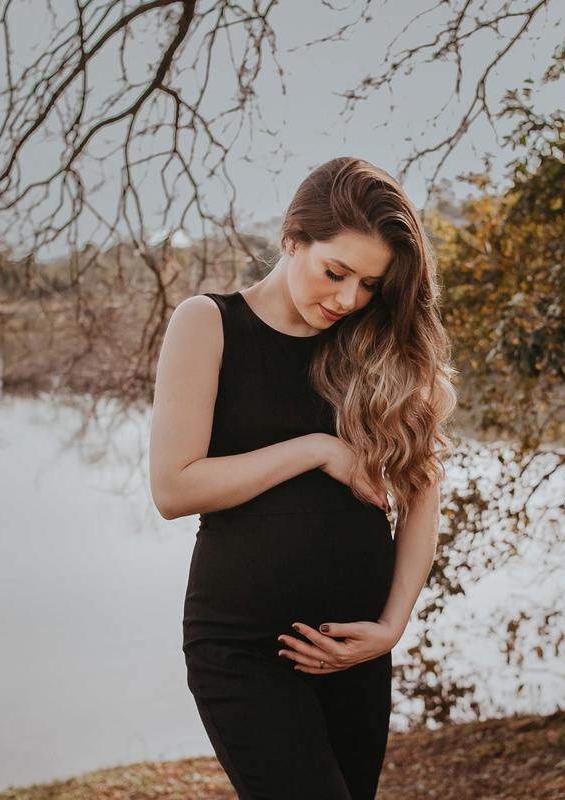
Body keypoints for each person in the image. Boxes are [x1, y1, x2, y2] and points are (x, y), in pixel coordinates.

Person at [148, 156, 457, 799]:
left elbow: (423, 496)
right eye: (334, 272)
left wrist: (391, 628)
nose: (348, 299)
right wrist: (317, 449)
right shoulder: (208, 324)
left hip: (356, 649)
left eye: (370, 285)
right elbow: (174, 488)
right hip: (245, 650)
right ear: (293, 239)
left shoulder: (380, 347)